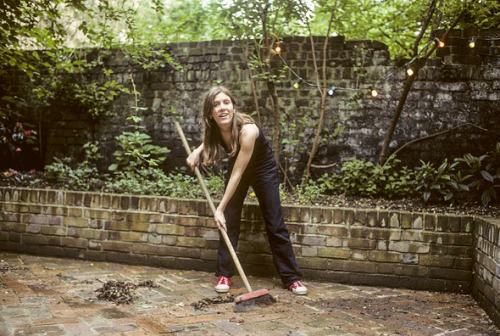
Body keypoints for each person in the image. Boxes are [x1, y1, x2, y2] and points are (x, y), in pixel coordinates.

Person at [186, 86, 307, 295]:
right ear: (210, 113)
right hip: (238, 166)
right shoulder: (216, 127)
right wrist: (197, 151)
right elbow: (210, 139)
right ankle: (224, 274)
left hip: (262, 169)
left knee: (274, 221)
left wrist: (219, 208)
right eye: (216, 105)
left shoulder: (248, 130)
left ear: (233, 106)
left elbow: (238, 174)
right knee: (229, 220)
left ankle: (292, 278)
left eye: (226, 102)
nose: (222, 108)